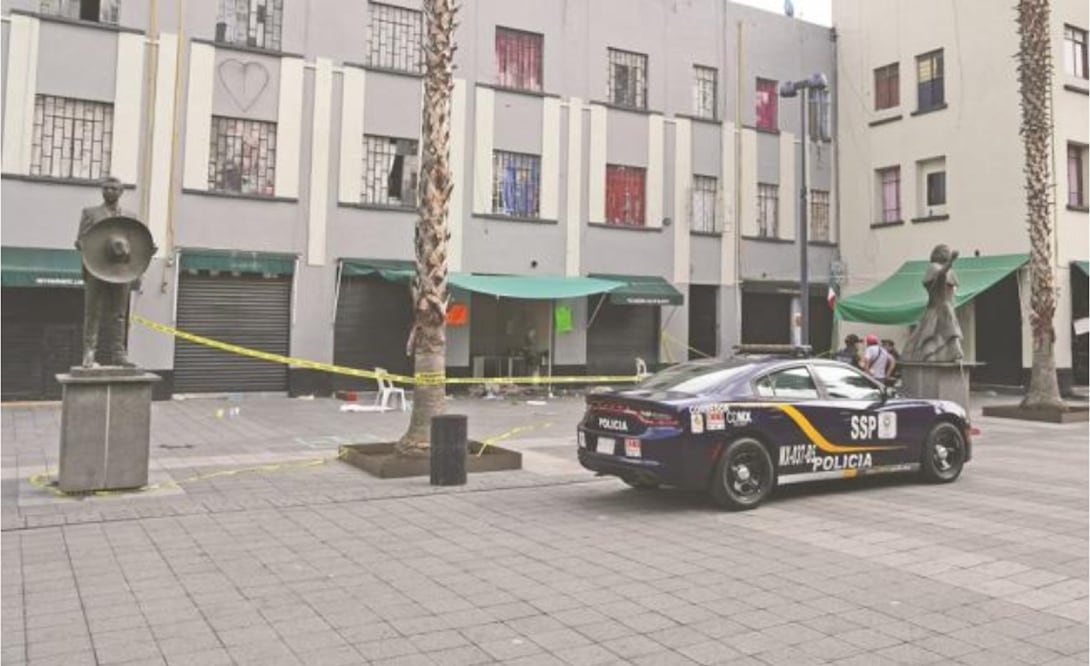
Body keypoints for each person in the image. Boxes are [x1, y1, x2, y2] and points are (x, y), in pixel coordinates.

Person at [76, 177, 136, 368]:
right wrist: (85, 244)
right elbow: (80, 240)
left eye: (113, 188)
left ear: (121, 192)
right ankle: (89, 353)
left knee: (119, 313)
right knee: (92, 312)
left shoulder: (130, 217)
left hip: (120, 270)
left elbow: (135, 243)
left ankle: (119, 353)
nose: (109, 191)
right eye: (106, 188)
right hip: (96, 268)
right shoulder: (90, 213)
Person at [902, 244, 964, 362]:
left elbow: (951, 287)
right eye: (945, 251)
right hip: (937, 308)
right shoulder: (933, 267)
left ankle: (953, 352)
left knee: (939, 335)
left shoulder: (949, 270)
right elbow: (940, 275)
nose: (948, 252)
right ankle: (954, 352)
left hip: (947, 307)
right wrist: (951, 261)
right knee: (932, 336)